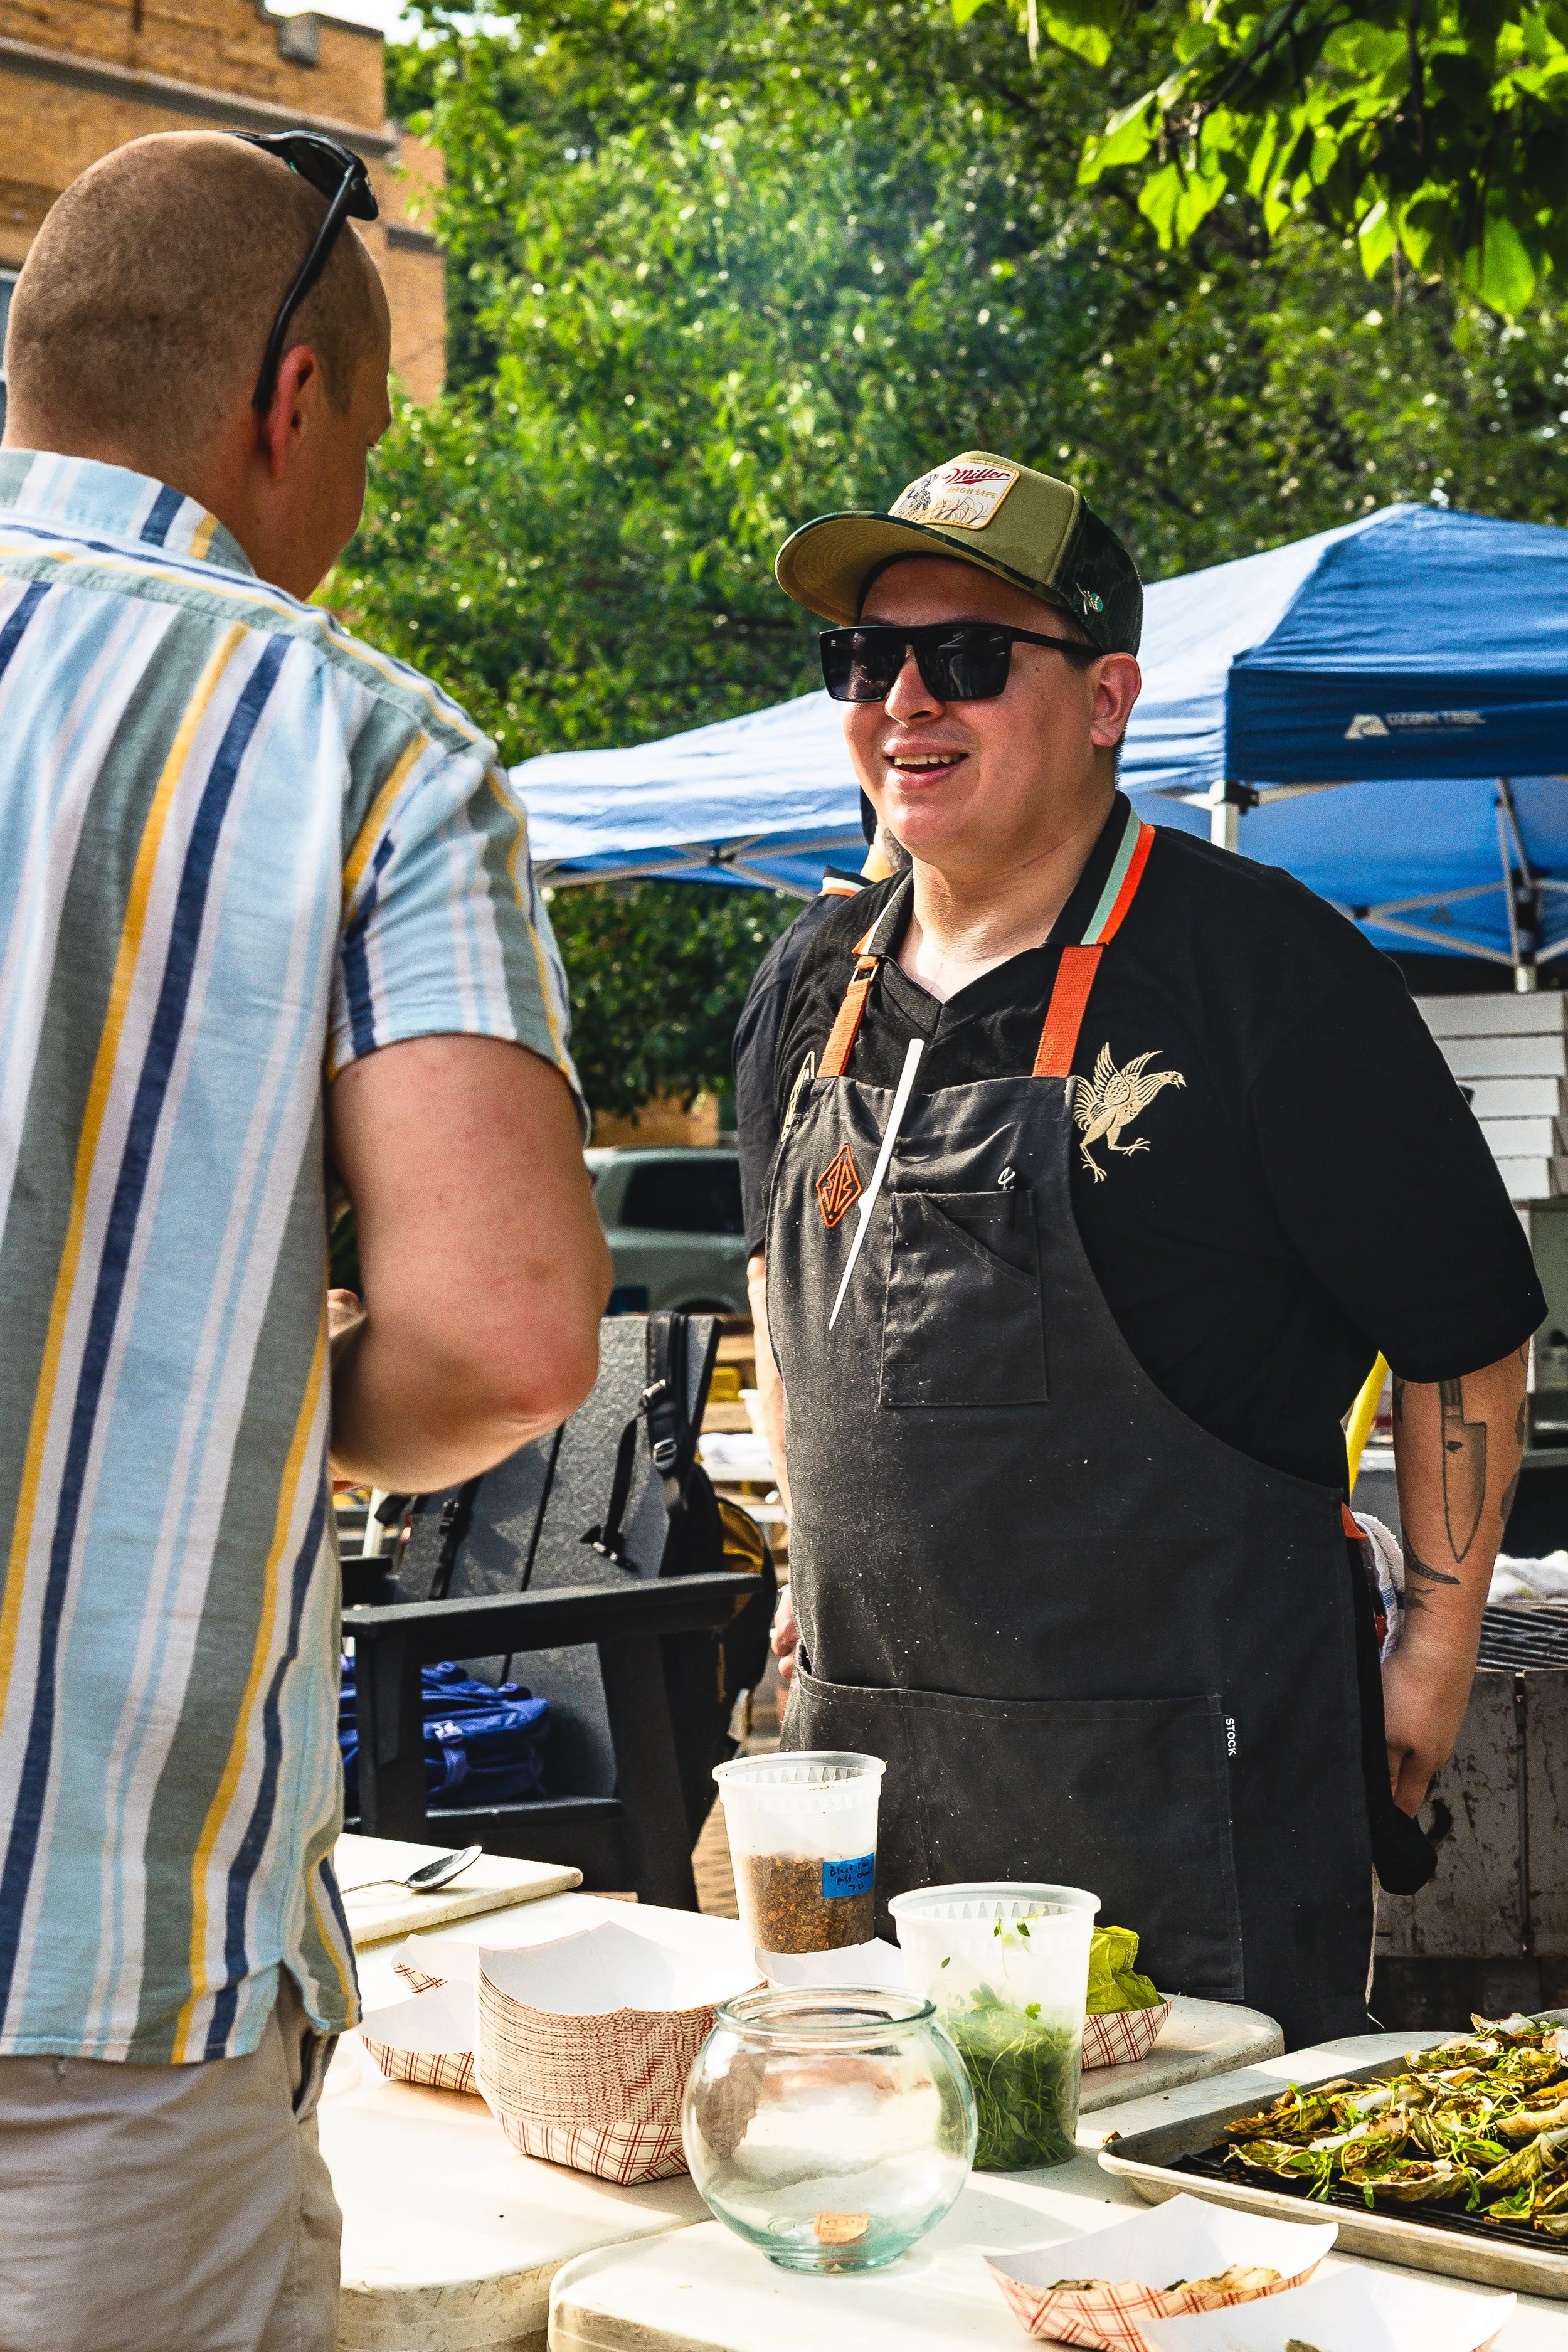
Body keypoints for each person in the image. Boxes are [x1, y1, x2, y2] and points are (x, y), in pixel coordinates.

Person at [0, 133, 608, 2349]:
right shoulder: (354, 747)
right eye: (368, 432)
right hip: (88, 1978)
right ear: (289, 402)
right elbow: (515, 1335)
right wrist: (262, 1413)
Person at [751, 447, 1542, 2047]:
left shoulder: (1267, 973)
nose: (903, 698)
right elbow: (774, 1304)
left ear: (1107, 696)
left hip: (1191, 1812)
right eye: (863, 656)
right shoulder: (806, 983)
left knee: (1194, 2278)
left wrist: (1435, 1652)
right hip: (868, 1793)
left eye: (966, 657)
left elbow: (1463, 1330)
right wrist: (796, 1567)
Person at [734, 794, 905, 1491]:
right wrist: (804, 1508)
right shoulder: (814, 959)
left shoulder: (907, 943)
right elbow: (774, 1253)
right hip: (840, 1429)